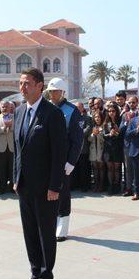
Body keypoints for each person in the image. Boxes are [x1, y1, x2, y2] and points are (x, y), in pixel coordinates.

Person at [13, 68, 67, 279]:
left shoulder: (52, 114)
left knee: (46, 234)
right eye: (21, 83)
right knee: (30, 233)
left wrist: (55, 186)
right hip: (25, 185)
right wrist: (16, 178)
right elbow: (18, 149)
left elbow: (59, 153)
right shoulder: (19, 112)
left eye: (27, 83)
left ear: (39, 86)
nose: (22, 87)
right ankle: (35, 274)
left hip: (46, 188)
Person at [46, 78, 83, 242]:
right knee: (47, 194)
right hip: (46, 160)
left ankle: (62, 229)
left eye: (55, 91)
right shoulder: (45, 108)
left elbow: (78, 139)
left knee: (62, 194)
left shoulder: (72, 110)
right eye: (50, 91)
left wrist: (71, 162)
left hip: (63, 161)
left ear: (62, 92)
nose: (52, 94)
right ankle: (49, 225)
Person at [0, 101, 15, 194]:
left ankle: (13, 187)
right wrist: (4, 127)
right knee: (1, 169)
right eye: (3, 107)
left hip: (12, 147)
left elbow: (18, 129)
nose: (4, 108)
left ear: (10, 108)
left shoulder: (15, 117)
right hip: (0, 147)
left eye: (6, 106)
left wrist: (11, 126)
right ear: (0, 108)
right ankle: (2, 187)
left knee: (12, 168)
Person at [103, 104, 124, 195]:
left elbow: (122, 135)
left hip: (117, 148)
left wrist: (117, 133)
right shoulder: (106, 122)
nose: (111, 113)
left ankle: (117, 186)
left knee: (116, 168)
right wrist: (110, 134)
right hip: (108, 148)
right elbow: (104, 135)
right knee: (110, 168)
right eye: (109, 111)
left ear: (116, 112)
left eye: (113, 111)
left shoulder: (120, 121)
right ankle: (111, 186)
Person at [120, 95, 138, 196]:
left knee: (136, 168)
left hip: (137, 145)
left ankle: (137, 189)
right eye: (130, 103)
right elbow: (121, 128)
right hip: (127, 145)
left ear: (136, 103)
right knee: (128, 168)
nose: (131, 104)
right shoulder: (125, 115)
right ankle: (128, 188)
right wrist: (127, 122)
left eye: (133, 102)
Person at [73, 101, 93, 192]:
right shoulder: (72, 118)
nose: (77, 109)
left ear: (82, 108)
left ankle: (85, 186)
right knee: (75, 168)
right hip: (74, 147)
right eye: (75, 107)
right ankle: (75, 184)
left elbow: (88, 129)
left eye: (78, 107)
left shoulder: (87, 118)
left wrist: (78, 134)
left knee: (84, 168)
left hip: (83, 147)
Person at [89, 111, 106, 192]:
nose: (97, 118)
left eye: (98, 117)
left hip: (101, 150)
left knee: (101, 168)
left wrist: (98, 134)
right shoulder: (93, 126)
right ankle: (96, 184)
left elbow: (105, 139)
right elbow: (88, 139)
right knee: (95, 168)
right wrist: (93, 134)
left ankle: (102, 185)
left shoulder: (104, 126)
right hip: (93, 151)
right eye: (95, 117)